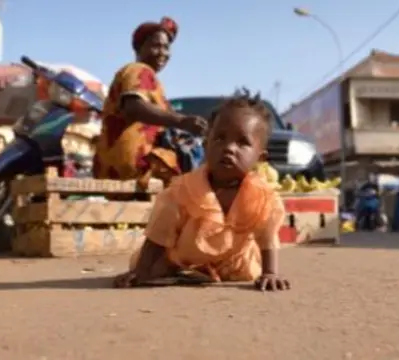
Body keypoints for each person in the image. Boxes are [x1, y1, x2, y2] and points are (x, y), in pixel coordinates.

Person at [113, 89, 290, 291]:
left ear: (260, 157)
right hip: (181, 259)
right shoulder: (183, 191)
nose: (229, 148)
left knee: (248, 270)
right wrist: (141, 271)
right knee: (158, 269)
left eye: (242, 142)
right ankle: (172, 270)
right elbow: (159, 232)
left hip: (232, 262)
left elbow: (267, 237)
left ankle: (209, 272)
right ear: (206, 145)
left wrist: (270, 272)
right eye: (219, 138)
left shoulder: (262, 198)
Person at [94, 17, 208, 183]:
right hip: (133, 165)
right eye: (156, 46)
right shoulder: (139, 70)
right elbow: (133, 107)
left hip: (112, 167)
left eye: (166, 47)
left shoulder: (151, 82)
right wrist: (181, 121)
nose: (162, 52)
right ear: (139, 49)